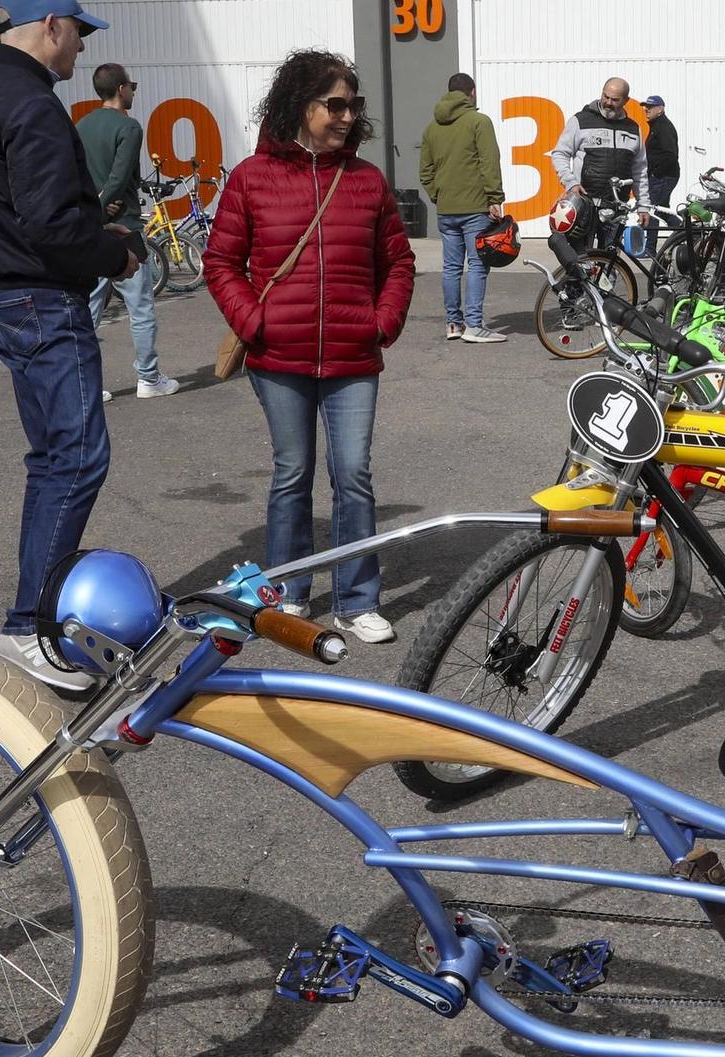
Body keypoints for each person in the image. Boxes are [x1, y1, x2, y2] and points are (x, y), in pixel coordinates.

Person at [0, 0, 139, 692]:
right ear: (50, 25)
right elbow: (52, 227)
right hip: (39, 299)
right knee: (78, 458)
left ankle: (35, 621)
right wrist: (112, 250)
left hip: (1, 293)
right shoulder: (32, 104)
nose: (81, 49)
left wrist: (88, 234)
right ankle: (29, 626)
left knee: (52, 460)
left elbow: (9, 208)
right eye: (79, 34)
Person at [202, 49, 415, 644]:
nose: (347, 116)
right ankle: (290, 591)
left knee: (353, 474)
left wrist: (382, 322)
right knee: (291, 473)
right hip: (277, 355)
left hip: (353, 355)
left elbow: (398, 262)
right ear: (301, 105)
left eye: (354, 106)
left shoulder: (366, 180)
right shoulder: (251, 177)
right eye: (335, 104)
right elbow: (221, 261)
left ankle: (357, 600)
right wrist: (254, 319)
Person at [78, 62, 180, 398]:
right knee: (140, 307)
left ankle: (89, 385)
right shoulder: (129, 127)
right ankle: (148, 378)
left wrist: (91, 209)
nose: (133, 91)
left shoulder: (81, 125)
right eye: (131, 86)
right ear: (121, 89)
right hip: (126, 228)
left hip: (91, 230)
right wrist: (104, 201)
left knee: (90, 309)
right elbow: (120, 177)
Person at [418, 71, 506, 342]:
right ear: (473, 93)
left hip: (446, 210)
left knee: (452, 267)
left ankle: (454, 325)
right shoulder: (479, 122)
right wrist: (495, 198)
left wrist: (438, 195)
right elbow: (489, 162)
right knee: (478, 266)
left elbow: (426, 171)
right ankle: (475, 326)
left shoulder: (432, 128)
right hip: (475, 207)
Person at [549, 76, 648, 251]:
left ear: (626, 101)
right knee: (580, 262)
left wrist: (643, 205)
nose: (608, 102)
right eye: (605, 96)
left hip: (616, 209)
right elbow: (560, 154)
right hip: (585, 205)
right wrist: (571, 182)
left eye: (615, 100)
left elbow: (640, 170)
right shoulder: (580, 120)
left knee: (609, 264)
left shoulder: (633, 128)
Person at [641, 94, 679, 250]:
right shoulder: (656, 125)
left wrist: (656, 172)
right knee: (662, 210)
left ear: (660, 109)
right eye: (645, 107)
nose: (646, 109)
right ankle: (685, 231)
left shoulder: (663, 127)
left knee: (654, 210)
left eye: (650, 107)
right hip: (661, 176)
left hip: (665, 176)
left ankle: (649, 249)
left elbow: (671, 154)